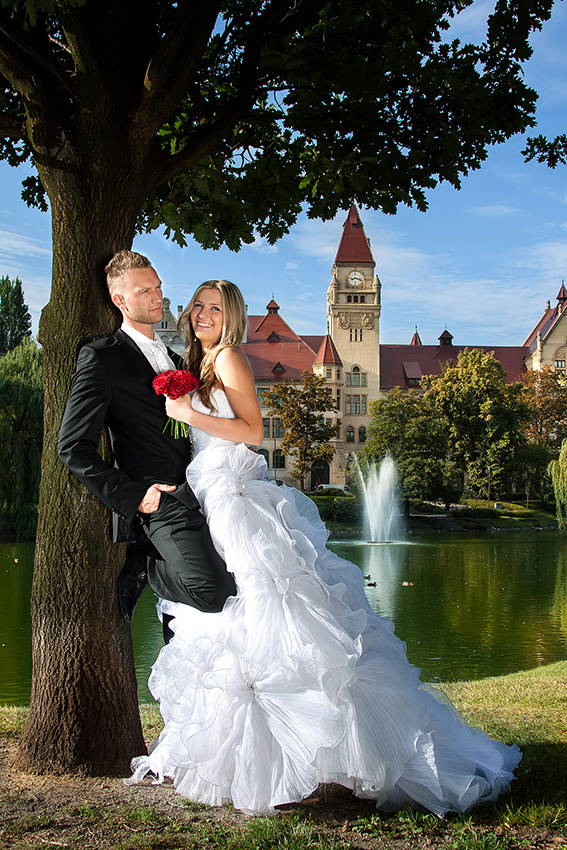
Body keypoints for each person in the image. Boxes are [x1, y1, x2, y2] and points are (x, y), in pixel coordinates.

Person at [125, 279, 521, 816]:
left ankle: (311, 755)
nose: (202, 314)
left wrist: (188, 414)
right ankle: (266, 756)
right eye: (198, 305)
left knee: (268, 611)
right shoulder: (200, 363)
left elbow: (252, 431)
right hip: (208, 495)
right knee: (232, 618)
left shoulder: (232, 358)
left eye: (215, 308)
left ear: (233, 315)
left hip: (234, 500)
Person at [58, 251, 236, 638]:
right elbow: (72, 447)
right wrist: (137, 496)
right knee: (214, 592)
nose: (157, 297)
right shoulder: (101, 357)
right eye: (145, 291)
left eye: (158, 287)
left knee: (243, 585)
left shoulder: (177, 358)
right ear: (120, 300)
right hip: (161, 499)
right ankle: (145, 566)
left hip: (205, 491)